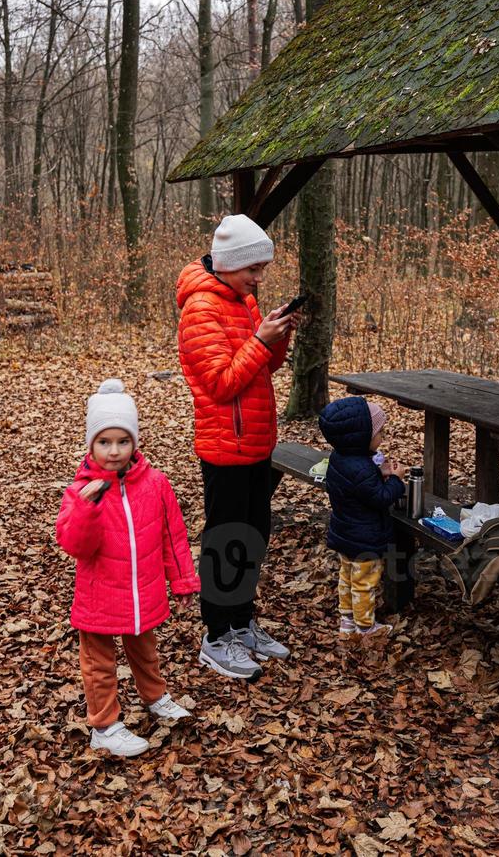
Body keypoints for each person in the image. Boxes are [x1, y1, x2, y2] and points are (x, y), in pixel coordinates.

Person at [176, 214, 301, 680]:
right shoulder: (200, 309)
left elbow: (262, 368)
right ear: (230, 264)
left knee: (254, 536)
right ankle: (217, 635)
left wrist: (277, 335)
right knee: (226, 541)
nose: (259, 277)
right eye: (254, 268)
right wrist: (257, 340)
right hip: (224, 446)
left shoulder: (243, 301)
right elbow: (221, 382)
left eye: (262, 268)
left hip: (257, 442)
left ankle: (242, 621)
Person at [55, 379, 201, 757]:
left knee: (145, 652)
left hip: (144, 592)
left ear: (135, 442)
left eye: (123, 441)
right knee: (99, 664)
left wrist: (183, 580)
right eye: (104, 442)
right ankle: (104, 725)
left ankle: (155, 697)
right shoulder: (82, 490)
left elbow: (173, 535)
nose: (114, 451)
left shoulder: (154, 484)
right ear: (91, 444)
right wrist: (87, 507)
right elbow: (74, 544)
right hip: (99, 597)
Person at [317, 396, 405, 642]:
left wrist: (379, 471)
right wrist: (396, 480)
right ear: (361, 436)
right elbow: (380, 497)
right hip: (365, 538)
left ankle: (347, 621)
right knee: (365, 583)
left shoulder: (340, 459)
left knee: (347, 578)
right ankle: (366, 627)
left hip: (345, 533)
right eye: (379, 432)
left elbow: (356, 486)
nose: (382, 437)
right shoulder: (362, 468)